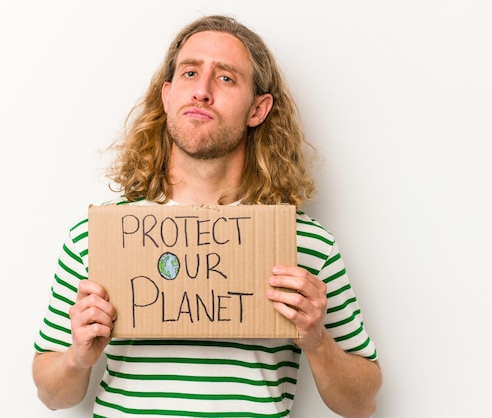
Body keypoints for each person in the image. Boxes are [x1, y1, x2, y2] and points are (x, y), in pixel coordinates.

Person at [32, 14, 382, 417]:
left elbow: (362, 404)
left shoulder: (304, 243)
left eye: (226, 78)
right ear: (167, 96)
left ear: (258, 108)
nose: (201, 91)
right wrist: (77, 357)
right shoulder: (97, 237)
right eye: (190, 72)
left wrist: (317, 340)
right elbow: (52, 396)